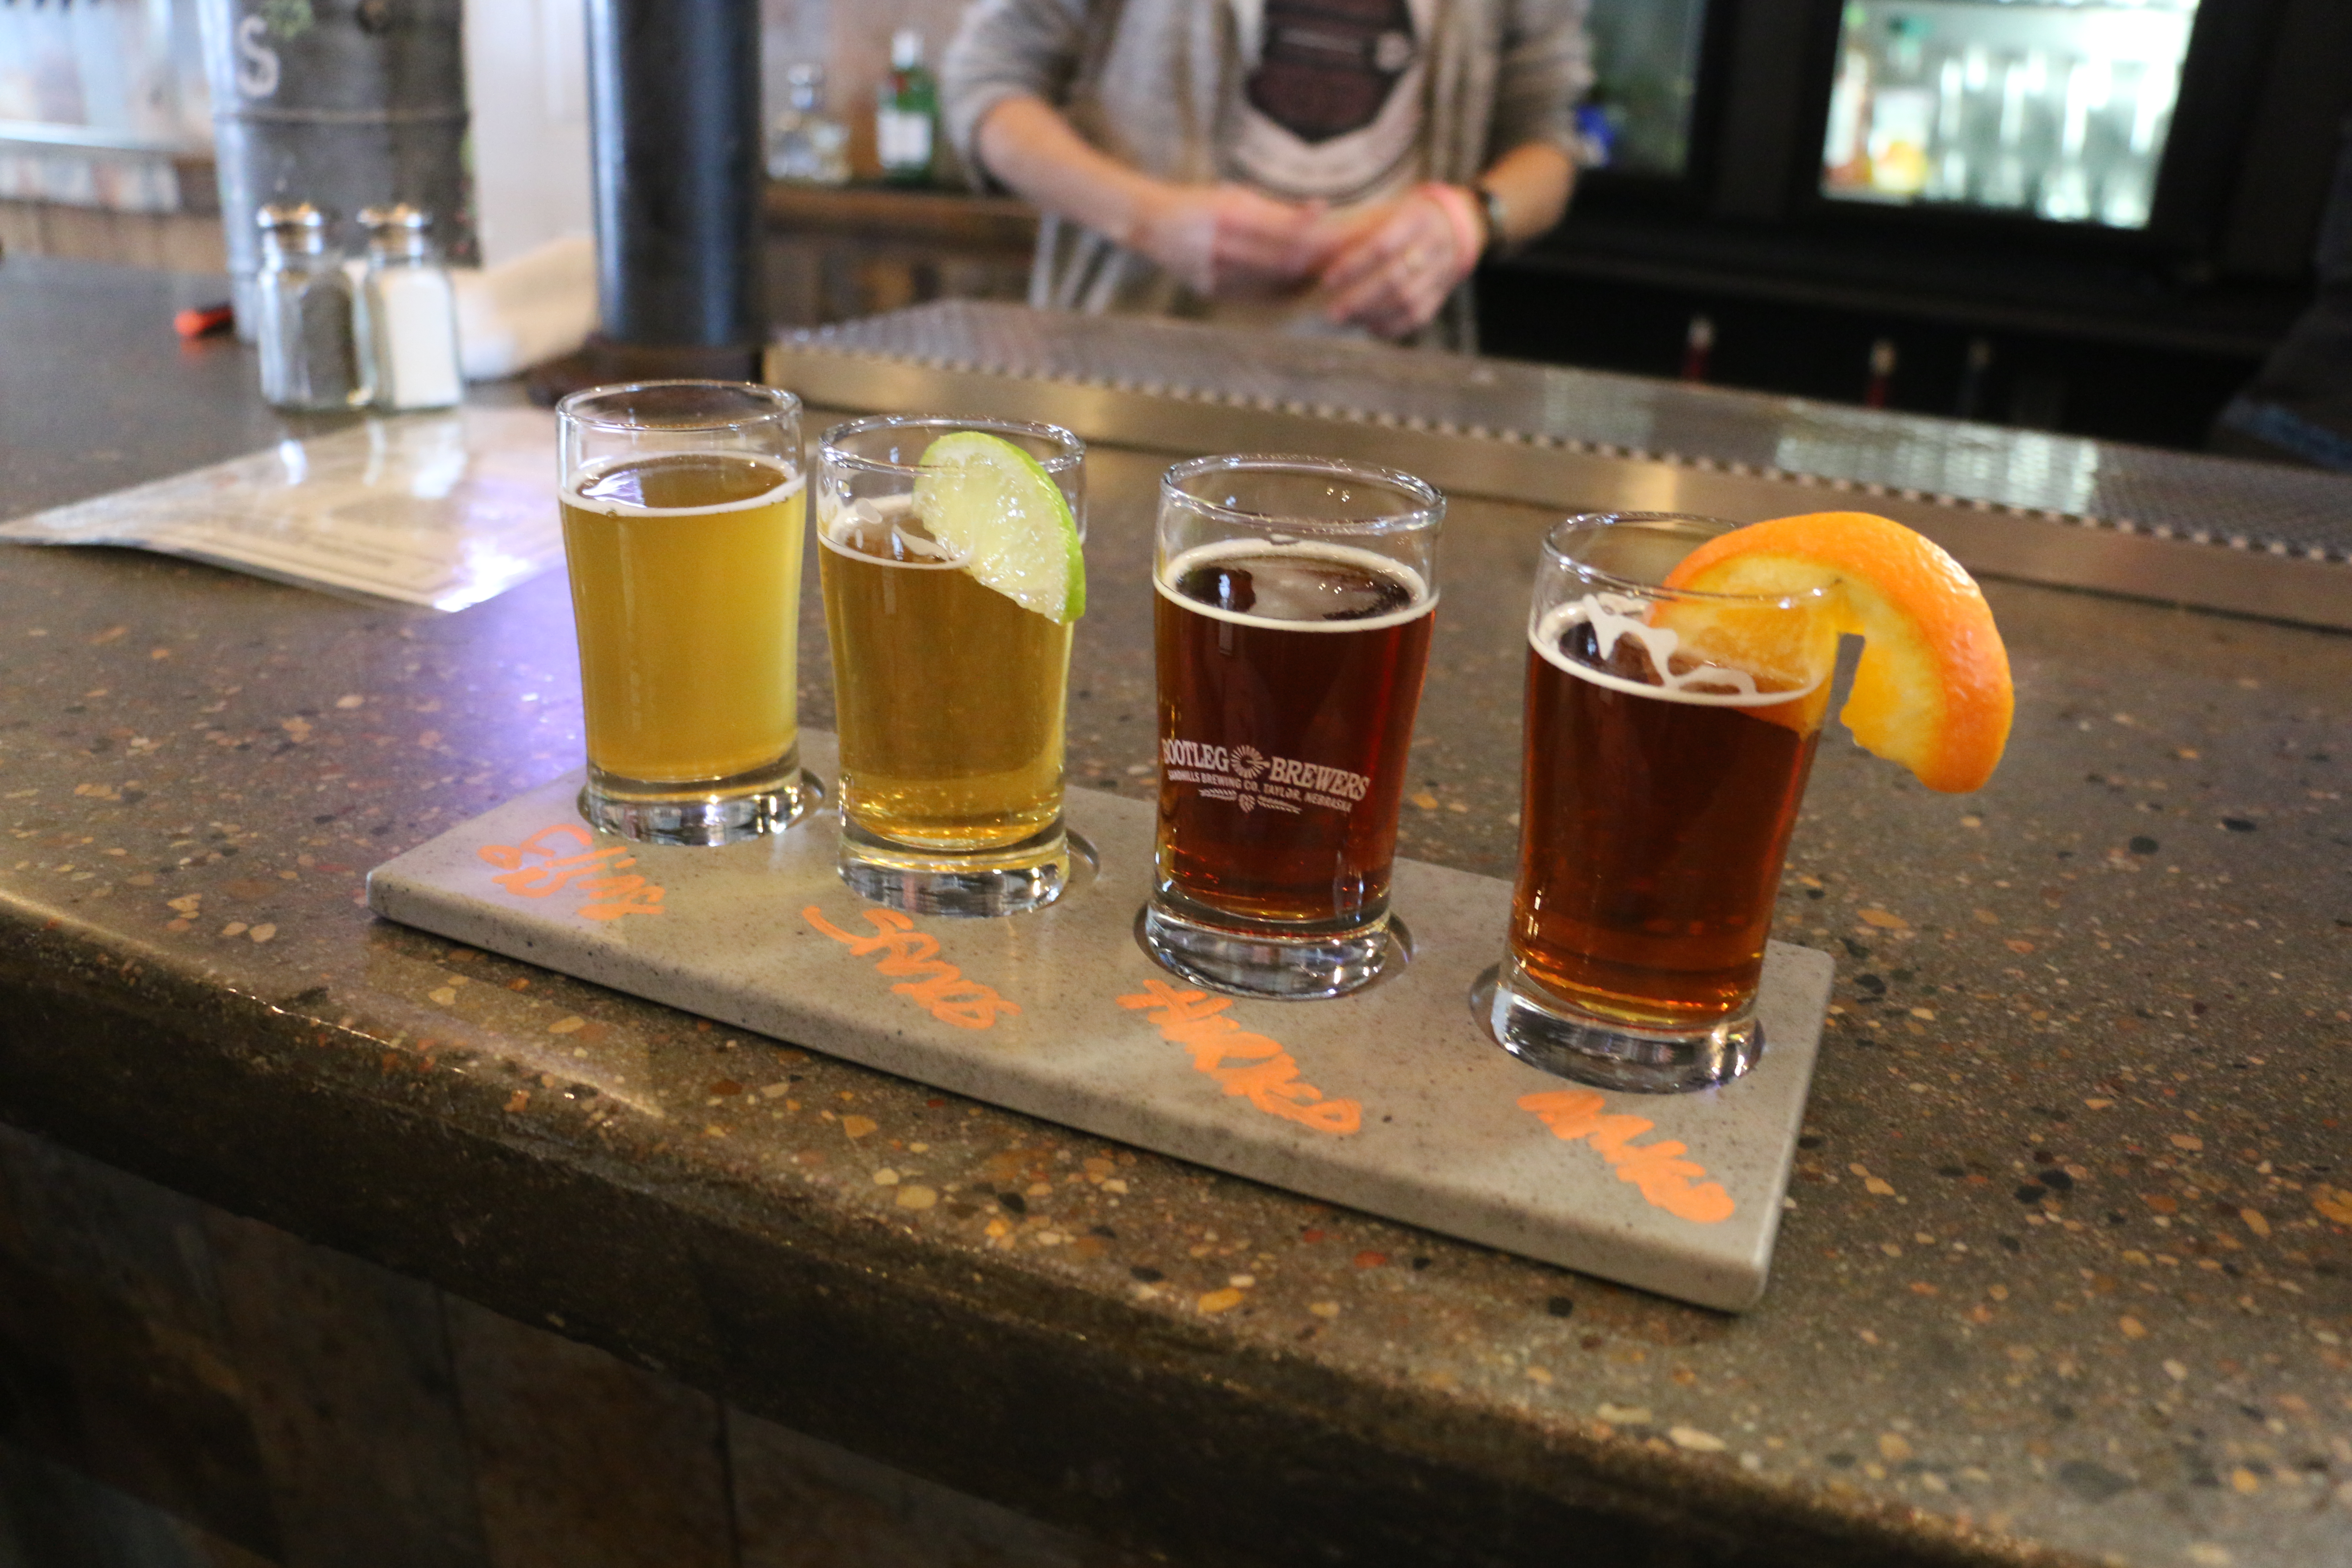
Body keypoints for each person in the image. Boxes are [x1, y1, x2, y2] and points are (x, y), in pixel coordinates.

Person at [941, 0, 1589, 346]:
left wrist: (1469, 220)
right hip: (1127, 364)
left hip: (1395, 385)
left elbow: (1548, 139)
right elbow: (985, 85)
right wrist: (1151, 219)